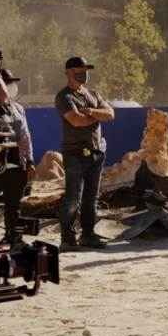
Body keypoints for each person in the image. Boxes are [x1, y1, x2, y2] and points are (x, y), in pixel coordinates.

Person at [55, 56, 114, 252]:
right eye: (80, 69)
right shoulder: (64, 97)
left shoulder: (93, 94)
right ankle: (67, 238)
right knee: (73, 198)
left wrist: (89, 111)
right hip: (75, 153)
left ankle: (88, 234)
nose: (85, 73)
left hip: (96, 152)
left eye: (86, 69)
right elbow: (76, 121)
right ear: (69, 72)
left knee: (91, 198)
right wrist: (95, 116)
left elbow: (110, 114)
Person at [0, 69, 35, 244]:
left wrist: (30, 161)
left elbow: (26, 135)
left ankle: (14, 237)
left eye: (12, 83)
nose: (11, 87)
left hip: (17, 167)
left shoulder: (18, 108)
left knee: (14, 205)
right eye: (7, 83)